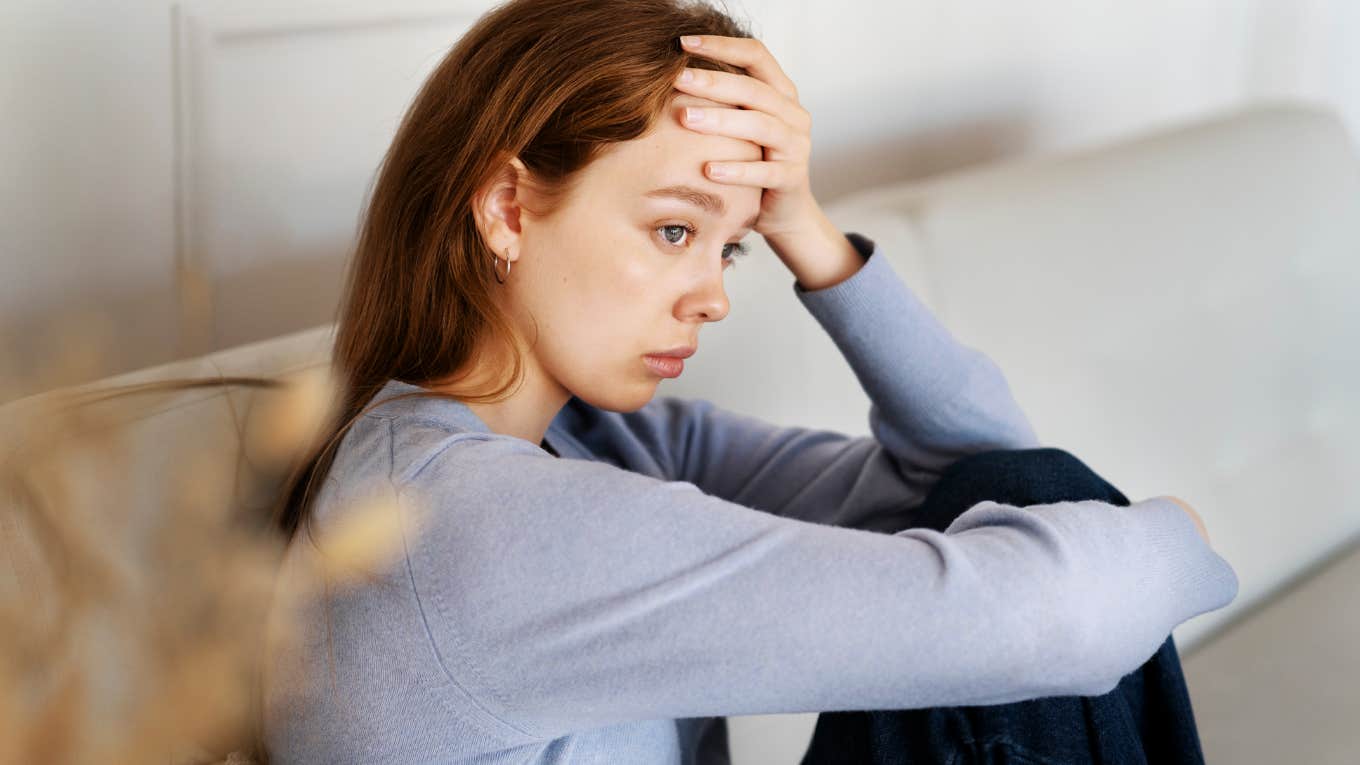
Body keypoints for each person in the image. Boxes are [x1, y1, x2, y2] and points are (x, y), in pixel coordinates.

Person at [259, 0, 1239, 762]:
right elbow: (1048, 618)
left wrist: (803, 229)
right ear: (509, 208)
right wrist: (1180, 538)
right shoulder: (456, 521)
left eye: (729, 251)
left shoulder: (607, 441)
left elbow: (989, 465)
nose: (713, 298)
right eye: (675, 229)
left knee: (1033, 496)